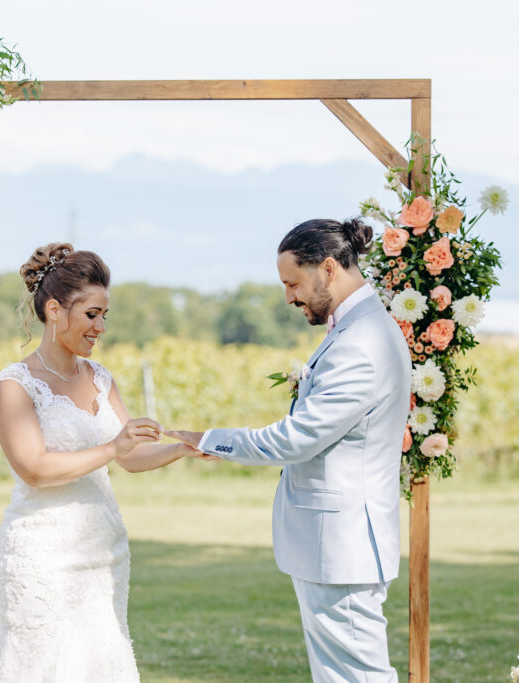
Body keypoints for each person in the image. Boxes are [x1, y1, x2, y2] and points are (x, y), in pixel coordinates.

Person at [167, 218, 411, 682]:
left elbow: (297, 439)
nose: (288, 297)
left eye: (292, 283)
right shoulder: (359, 330)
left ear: (328, 269)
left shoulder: (360, 344)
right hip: (335, 546)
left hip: (341, 546)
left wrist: (211, 439)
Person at [0, 242, 200, 682]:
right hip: (43, 556)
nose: (100, 327)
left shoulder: (101, 379)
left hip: (103, 553)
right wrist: (112, 448)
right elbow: (34, 469)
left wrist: (181, 448)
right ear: (54, 310)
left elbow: (130, 457)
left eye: (105, 315)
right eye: (91, 314)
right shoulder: (15, 386)